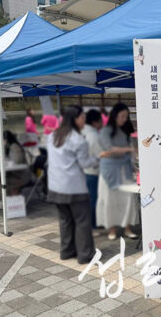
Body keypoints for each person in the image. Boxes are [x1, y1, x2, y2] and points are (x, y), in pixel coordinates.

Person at [45, 106, 99, 264]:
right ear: (74, 119)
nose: (84, 120)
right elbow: (85, 163)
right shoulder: (78, 140)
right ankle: (85, 255)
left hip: (55, 185)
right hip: (74, 187)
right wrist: (99, 158)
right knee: (82, 221)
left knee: (65, 220)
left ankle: (67, 251)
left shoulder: (53, 135)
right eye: (82, 117)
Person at [97, 103, 138, 240]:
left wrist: (133, 165)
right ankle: (112, 229)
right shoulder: (105, 131)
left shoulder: (125, 132)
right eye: (122, 116)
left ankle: (127, 227)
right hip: (109, 171)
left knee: (128, 199)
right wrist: (128, 150)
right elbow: (109, 149)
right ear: (115, 115)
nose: (124, 119)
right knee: (109, 200)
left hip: (124, 170)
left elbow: (130, 151)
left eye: (126, 117)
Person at [81, 109, 104, 232]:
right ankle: (92, 224)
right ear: (95, 122)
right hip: (93, 171)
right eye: (101, 120)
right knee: (94, 199)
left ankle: (93, 223)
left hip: (86, 171)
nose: (102, 122)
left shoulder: (85, 133)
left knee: (91, 198)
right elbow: (101, 155)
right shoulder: (94, 136)